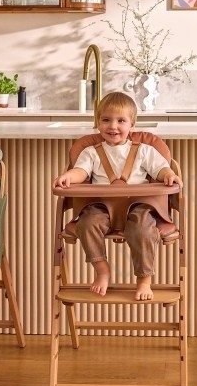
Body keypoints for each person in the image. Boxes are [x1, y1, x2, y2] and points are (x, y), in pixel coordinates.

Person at [53, 92, 182, 301]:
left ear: (132, 124)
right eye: (106, 120)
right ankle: (101, 269)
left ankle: (144, 279)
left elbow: (161, 169)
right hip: (100, 205)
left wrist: (169, 175)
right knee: (86, 224)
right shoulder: (91, 152)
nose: (113, 126)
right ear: (98, 123)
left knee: (143, 229)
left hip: (139, 205)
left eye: (121, 121)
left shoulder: (144, 150)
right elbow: (81, 172)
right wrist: (68, 176)